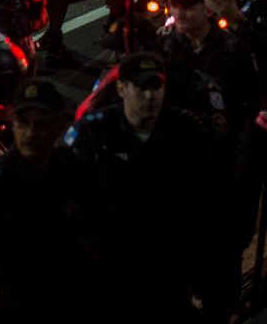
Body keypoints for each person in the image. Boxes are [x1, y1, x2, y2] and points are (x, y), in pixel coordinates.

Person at [66, 51, 220, 320]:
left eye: (156, 87)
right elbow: (69, 199)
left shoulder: (186, 130)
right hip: (109, 266)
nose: (150, 97)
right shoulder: (92, 131)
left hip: (168, 264)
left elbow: (205, 199)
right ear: (122, 88)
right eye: (141, 88)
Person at [0, 80, 94, 323]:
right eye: (23, 123)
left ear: (59, 125)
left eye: (41, 124)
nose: (31, 134)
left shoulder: (72, 168)